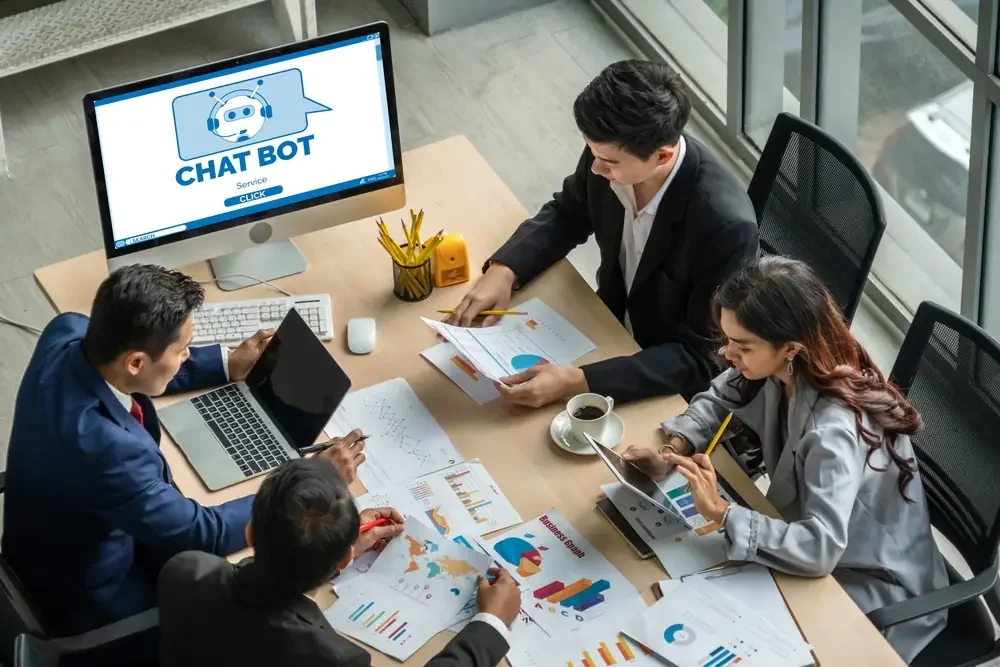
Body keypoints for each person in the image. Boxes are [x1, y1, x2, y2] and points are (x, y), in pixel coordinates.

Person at [2, 264, 368, 636]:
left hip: (39, 540)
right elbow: (202, 533)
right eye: (182, 350)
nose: (188, 356)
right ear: (136, 361)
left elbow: (135, 371)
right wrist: (312, 484)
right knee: (249, 603)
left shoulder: (68, 331)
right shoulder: (107, 453)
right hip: (91, 598)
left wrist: (226, 363)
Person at [622, 256, 947, 663]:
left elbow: (821, 548)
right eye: (727, 339)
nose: (727, 353)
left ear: (790, 347)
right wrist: (672, 452)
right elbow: (719, 399)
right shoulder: (784, 365)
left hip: (866, 580)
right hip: (808, 543)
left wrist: (723, 514)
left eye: (742, 347)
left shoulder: (833, 432)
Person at [447, 59, 758, 407]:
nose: (595, 167)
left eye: (607, 161)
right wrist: (506, 270)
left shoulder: (725, 228)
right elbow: (569, 213)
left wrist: (580, 382)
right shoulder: (610, 150)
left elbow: (703, 357)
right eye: (592, 151)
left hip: (659, 375)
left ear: (662, 155)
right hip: (605, 325)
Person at [158, 458, 520, 666]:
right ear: (350, 555)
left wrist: (320, 551)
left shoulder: (185, 570)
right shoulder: (333, 659)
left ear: (251, 532)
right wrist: (491, 625)